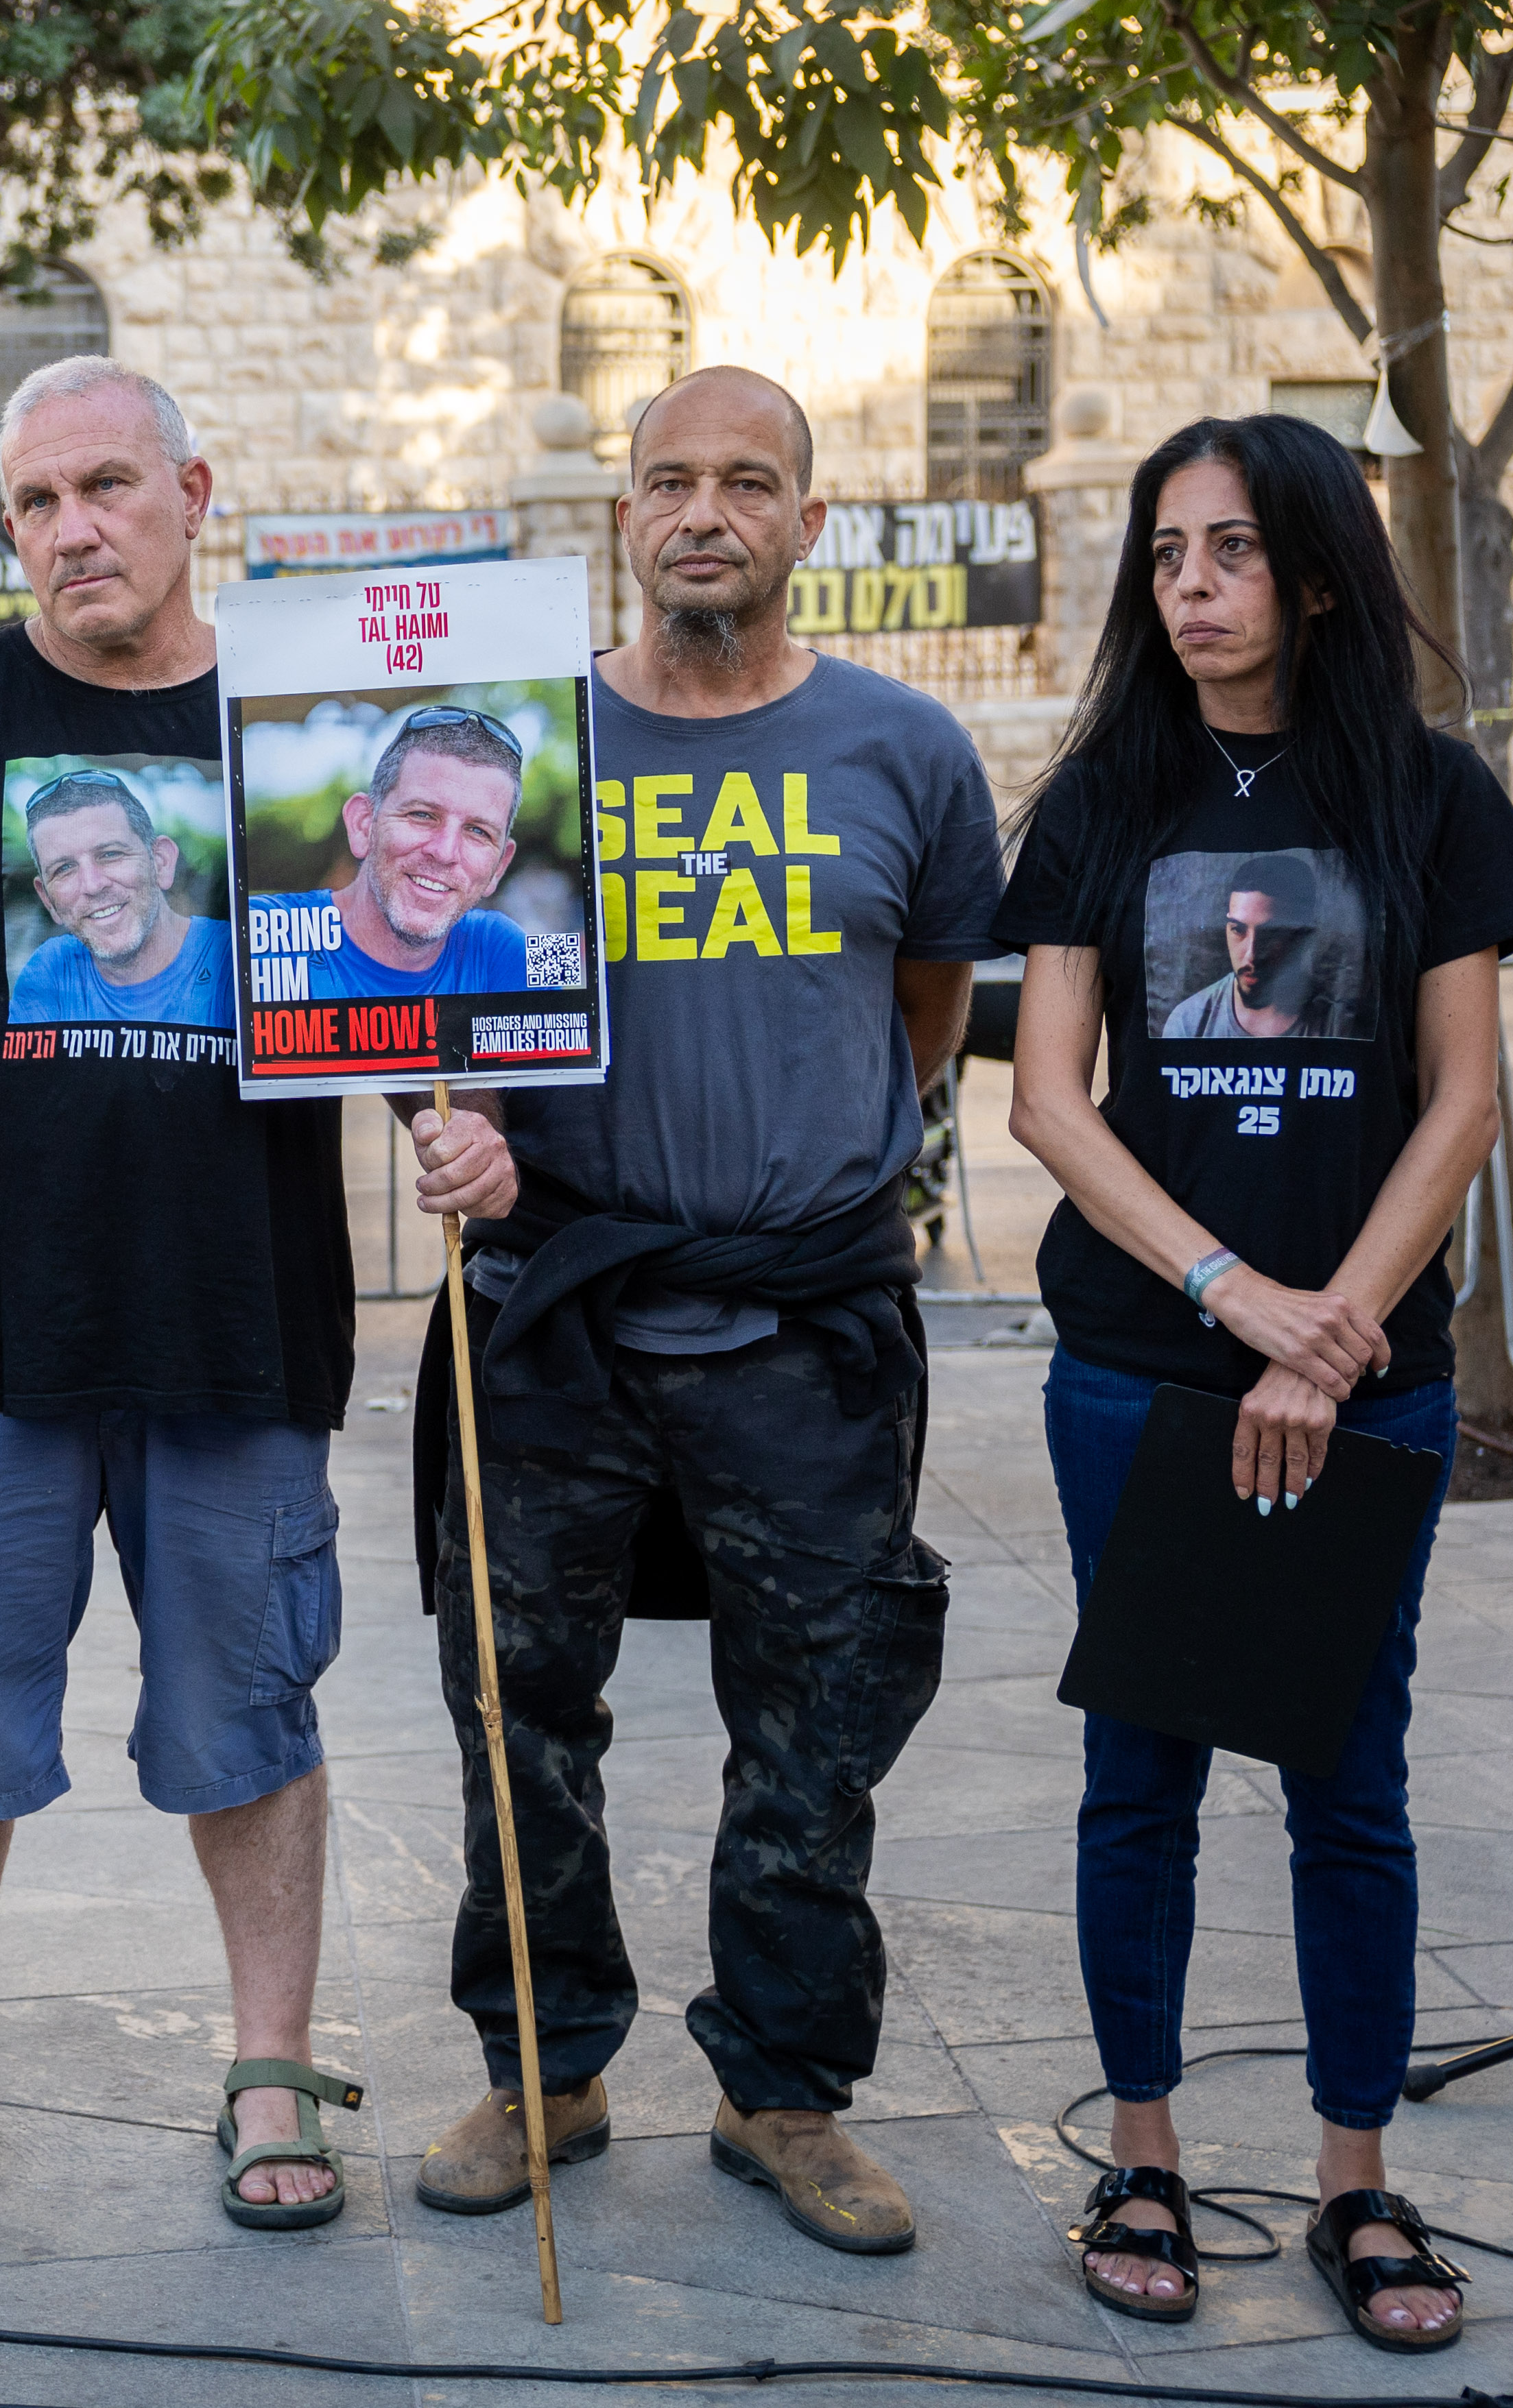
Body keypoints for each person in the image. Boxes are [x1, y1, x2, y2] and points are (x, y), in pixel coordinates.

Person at [0, 356, 512, 2224]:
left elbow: (403, 978)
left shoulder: (304, 716)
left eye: (104, 485)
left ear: (190, 489)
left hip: (236, 1326)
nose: (70, 529)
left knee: (243, 1710)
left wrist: (463, 1118)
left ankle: (269, 2063)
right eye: (32, 502)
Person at [407, 365, 997, 2257]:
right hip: (553, 1308)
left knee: (818, 1715)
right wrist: (463, 1129)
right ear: (623, 516)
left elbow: (926, 1017)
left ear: (807, 521)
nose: (702, 512)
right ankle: (543, 2062)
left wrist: (804, 1167)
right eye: (669, 479)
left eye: (747, 482)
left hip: (807, 1328)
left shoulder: (902, 754)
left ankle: (783, 2090)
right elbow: (413, 985)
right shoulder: (526, 742)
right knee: (514, 1707)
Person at [1000, 414, 1513, 2350]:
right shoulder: (1096, 798)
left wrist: (1335, 1333)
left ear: (1314, 572)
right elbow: (1048, 1100)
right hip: (1142, 1361)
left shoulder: (1429, 795)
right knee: (1136, 1766)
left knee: (1347, 1779)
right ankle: (1139, 2148)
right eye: (1163, 553)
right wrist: (1245, 1299)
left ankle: (1352, 2175)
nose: (1189, 585)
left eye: (1228, 549)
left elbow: (1459, 1096)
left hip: (1367, 1374)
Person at [254, 708, 535, 998]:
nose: (445, 852)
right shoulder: (255, 937)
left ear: (499, 867)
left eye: (478, 831)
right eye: (422, 815)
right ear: (364, 826)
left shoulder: (508, 950)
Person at [3, 763, 235, 1025]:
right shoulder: (52, 969)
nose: (92, 885)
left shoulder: (231, 956)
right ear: (48, 900)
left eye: (111, 854)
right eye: (64, 868)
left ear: (161, 863)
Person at [1156, 850, 1352, 1039]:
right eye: (1238, 930)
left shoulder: (1337, 1022)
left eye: (1270, 934)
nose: (1251, 955)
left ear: (1303, 935)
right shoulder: (1189, 1022)